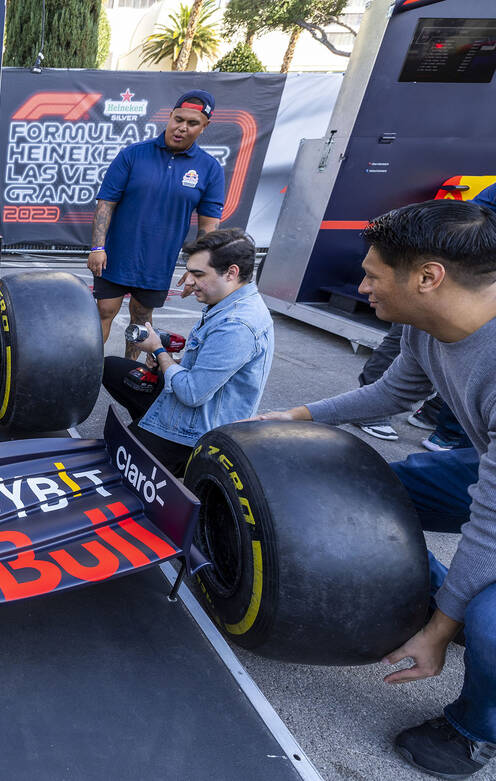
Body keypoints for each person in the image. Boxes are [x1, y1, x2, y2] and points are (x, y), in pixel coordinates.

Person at [254, 200, 495, 779]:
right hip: (487, 464)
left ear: (427, 277)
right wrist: (299, 414)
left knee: (490, 621)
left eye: (372, 275)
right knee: (372, 494)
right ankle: (448, 606)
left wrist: (438, 631)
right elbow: (391, 394)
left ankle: (474, 727)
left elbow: (490, 526)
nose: (362, 287)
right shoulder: (427, 326)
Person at [101, 229, 273, 475]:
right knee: (113, 368)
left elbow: (192, 393)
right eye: (189, 271)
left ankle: (178, 459)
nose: (188, 281)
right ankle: (149, 431)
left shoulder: (237, 325)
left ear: (231, 273)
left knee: (115, 459)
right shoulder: (226, 301)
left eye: (198, 274)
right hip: (197, 402)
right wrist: (172, 361)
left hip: (199, 431)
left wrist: (159, 351)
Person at [88, 89, 226, 360]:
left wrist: (198, 269)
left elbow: (208, 227)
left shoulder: (209, 169)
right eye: (178, 119)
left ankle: (128, 371)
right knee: (103, 311)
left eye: (192, 123)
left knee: (141, 320)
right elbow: (105, 204)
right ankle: (88, 370)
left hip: (157, 262)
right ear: (170, 117)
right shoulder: (133, 155)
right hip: (116, 256)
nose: (181, 128)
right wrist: (97, 246)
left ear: (204, 127)